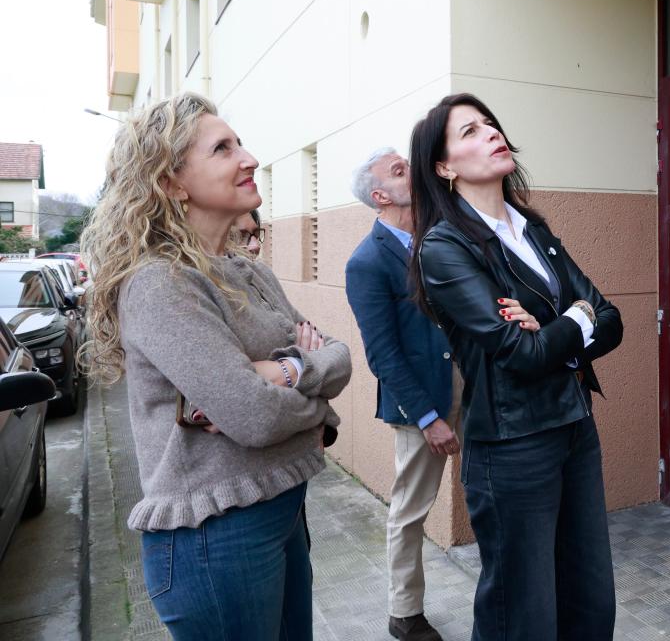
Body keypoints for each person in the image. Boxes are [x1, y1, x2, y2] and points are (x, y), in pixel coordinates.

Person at [80, 93, 352, 640]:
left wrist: (284, 372)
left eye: (240, 143)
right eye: (222, 149)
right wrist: (308, 395)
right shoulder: (161, 283)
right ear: (172, 182)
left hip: (283, 509)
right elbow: (254, 417)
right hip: (216, 538)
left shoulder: (250, 272)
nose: (249, 158)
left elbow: (340, 356)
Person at [409, 93, 623, 641]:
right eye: (470, 131)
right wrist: (577, 317)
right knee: (524, 613)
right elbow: (520, 353)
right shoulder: (445, 247)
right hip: (514, 444)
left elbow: (611, 317)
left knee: (590, 600)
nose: (491, 133)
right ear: (444, 167)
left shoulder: (532, 229)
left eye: (490, 124)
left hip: (575, 425)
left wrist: (561, 325)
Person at [345, 148, 458, 641]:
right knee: (411, 510)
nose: (411, 170)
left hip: (471, 386)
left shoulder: (439, 236)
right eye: (399, 170)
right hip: (421, 404)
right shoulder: (366, 262)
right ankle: (405, 613)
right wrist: (429, 417)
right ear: (380, 196)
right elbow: (383, 355)